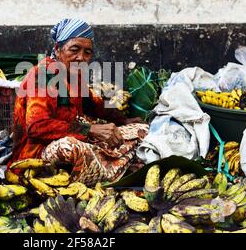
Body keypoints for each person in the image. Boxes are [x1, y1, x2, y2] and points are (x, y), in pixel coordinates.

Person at [8, 18, 148, 185]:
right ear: (58, 49)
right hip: (36, 153)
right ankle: (111, 169)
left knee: (142, 130)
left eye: (87, 52)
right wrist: (90, 129)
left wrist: (124, 120)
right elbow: (36, 126)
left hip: (78, 137)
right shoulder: (43, 75)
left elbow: (94, 106)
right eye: (74, 50)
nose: (81, 58)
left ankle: (107, 166)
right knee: (70, 147)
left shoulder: (75, 74)